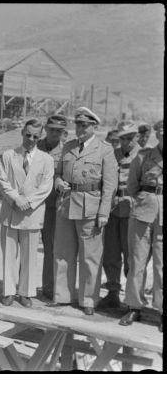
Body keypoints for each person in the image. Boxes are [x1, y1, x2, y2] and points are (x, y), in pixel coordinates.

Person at [53, 107, 117, 315]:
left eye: (85, 125)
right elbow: (58, 174)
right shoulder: (68, 147)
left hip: (91, 207)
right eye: (78, 124)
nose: (80, 128)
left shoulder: (104, 149)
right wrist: (59, 182)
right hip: (67, 205)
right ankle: (63, 296)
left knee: (90, 257)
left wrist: (103, 212)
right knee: (63, 253)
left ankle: (88, 299)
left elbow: (110, 185)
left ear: (94, 127)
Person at [0, 119, 54, 307]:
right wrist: (16, 198)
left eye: (35, 136)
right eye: (28, 134)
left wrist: (28, 202)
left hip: (32, 213)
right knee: (9, 254)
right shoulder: (8, 155)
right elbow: (3, 181)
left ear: (40, 138)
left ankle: (26, 292)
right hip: (11, 211)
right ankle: (8, 291)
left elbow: (46, 187)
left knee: (29, 256)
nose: (31, 139)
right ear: (22, 133)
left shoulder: (46, 160)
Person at [120, 120, 163, 331]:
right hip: (143, 211)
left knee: (161, 266)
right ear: (157, 134)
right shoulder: (144, 155)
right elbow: (132, 185)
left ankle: (161, 310)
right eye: (162, 133)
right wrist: (143, 200)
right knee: (136, 261)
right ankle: (134, 306)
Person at [99, 122, 140, 309]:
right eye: (122, 138)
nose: (125, 142)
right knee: (111, 254)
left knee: (131, 256)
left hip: (133, 212)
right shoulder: (112, 155)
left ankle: (132, 300)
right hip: (113, 210)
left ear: (137, 137)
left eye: (129, 138)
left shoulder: (143, 156)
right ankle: (113, 292)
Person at [37, 114, 67, 300]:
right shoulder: (34, 145)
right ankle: (23, 288)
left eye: (59, 130)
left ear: (63, 132)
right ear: (46, 129)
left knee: (52, 248)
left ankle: (49, 287)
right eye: (51, 129)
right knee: (26, 246)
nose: (54, 133)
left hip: (52, 206)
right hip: (32, 204)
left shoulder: (67, 151)